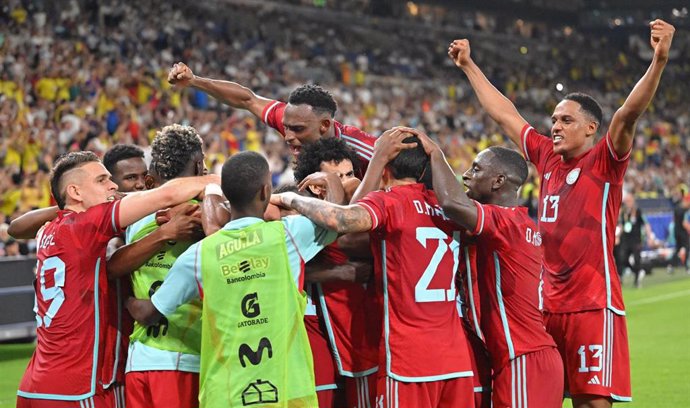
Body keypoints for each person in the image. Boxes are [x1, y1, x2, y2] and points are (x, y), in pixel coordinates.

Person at [447, 19, 675, 406]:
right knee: (546, 395)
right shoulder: (547, 158)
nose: (554, 126)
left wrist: (659, 61)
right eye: (553, 119)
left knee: (591, 402)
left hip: (591, 303)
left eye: (565, 120)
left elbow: (627, 115)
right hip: (546, 306)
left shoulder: (605, 162)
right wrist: (469, 65)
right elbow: (505, 114)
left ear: (590, 129)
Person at [272, 130, 475, 407]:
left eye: (347, 174)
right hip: (454, 356)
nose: (346, 181)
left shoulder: (386, 203)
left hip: (405, 358)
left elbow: (344, 226)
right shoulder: (448, 208)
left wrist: (290, 198)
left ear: (383, 164)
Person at [126, 151, 338, 408]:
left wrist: (125, 299)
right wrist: (328, 182)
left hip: (224, 395)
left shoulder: (199, 254)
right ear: (265, 191)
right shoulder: (289, 236)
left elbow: (149, 313)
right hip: (287, 391)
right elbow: (338, 218)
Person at [16, 151, 218, 408]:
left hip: (36, 384)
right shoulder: (86, 225)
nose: (113, 186)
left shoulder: (49, 229)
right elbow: (167, 194)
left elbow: (17, 228)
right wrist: (219, 181)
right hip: (79, 388)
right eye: (102, 180)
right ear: (75, 192)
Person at [412, 129, 563, 407]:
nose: (467, 174)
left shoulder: (503, 223)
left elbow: (451, 203)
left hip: (522, 358)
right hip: (525, 356)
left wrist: (436, 153)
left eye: (476, 168)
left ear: (498, 181)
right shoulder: (519, 224)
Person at [106, 125, 210, 408]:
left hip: (140, 360)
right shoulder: (207, 212)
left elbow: (112, 266)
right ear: (199, 164)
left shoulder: (135, 215)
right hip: (186, 355)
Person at [293, 137, 379, 408]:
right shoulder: (301, 222)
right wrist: (336, 273)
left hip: (368, 343)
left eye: (351, 174)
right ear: (316, 186)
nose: (351, 182)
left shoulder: (372, 215)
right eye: (336, 177)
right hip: (332, 342)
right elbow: (281, 269)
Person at [167, 62, 375, 163]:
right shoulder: (293, 117)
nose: (288, 136)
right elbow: (248, 99)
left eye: (298, 129)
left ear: (324, 125)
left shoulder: (364, 150)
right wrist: (194, 81)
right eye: (286, 128)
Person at [8, 144, 148, 239]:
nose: (141, 184)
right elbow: (16, 228)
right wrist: (80, 205)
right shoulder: (89, 219)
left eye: (145, 175)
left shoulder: (152, 208)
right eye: (131, 178)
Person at [615, 193, 654, 287]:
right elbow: (621, 225)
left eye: (629, 201)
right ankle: (632, 273)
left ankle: (637, 280)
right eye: (626, 201)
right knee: (622, 259)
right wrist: (617, 236)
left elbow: (646, 224)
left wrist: (650, 237)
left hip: (636, 240)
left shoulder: (638, 211)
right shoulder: (624, 213)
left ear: (633, 201)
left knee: (637, 259)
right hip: (625, 240)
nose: (628, 203)